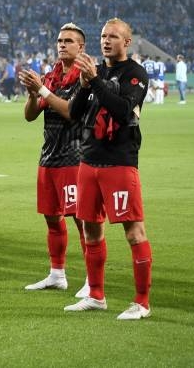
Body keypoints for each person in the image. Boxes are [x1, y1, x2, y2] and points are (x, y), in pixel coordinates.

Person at [65, 18, 153, 321]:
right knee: (90, 229)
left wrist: (96, 82)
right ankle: (96, 295)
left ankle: (142, 302)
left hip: (120, 162)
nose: (106, 41)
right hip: (89, 161)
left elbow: (124, 111)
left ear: (126, 42)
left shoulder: (136, 74)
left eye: (113, 36)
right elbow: (74, 115)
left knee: (133, 232)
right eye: (103, 36)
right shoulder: (95, 73)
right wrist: (82, 84)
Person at [18, 23, 90, 297]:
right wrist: (32, 93)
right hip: (48, 156)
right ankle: (57, 274)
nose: (62, 45)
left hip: (74, 156)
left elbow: (72, 112)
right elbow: (30, 115)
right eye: (60, 40)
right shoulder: (51, 76)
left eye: (69, 41)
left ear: (81, 47)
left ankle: (91, 279)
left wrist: (43, 91)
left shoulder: (84, 77)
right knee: (51, 217)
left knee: (81, 219)